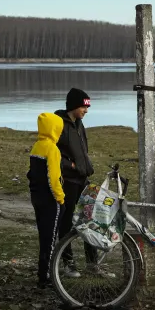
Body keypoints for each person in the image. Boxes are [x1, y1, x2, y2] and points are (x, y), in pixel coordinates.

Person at [54, 87, 103, 277]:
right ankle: (68, 263)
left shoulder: (79, 124)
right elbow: (53, 153)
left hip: (83, 180)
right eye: (84, 106)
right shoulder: (58, 123)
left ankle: (92, 264)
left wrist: (85, 166)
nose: (86, 110)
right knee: (66, 222)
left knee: (89, 219)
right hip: (67, 181)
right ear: (74, 105)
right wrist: (71, 166)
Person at [26, 112, 65, 289]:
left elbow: (31, 173)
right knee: (51, 238)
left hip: (36, 197)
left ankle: (43, 271)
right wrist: (60, 198)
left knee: (44, 235)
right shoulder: (52, 149)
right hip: (50, 200)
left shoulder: (36, 146)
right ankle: (46, 275)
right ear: (55, 129)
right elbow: (53, 178)